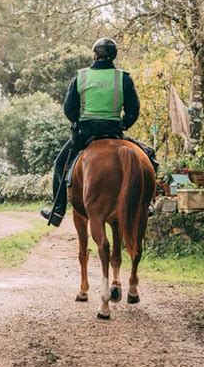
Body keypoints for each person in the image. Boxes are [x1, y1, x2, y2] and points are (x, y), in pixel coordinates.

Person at [40, 37, 140, 227]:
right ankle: (146, 204)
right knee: (148, 159)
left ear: (95, 55)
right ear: (113, 56)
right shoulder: (123, 78)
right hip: (114, 132)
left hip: (86, 133)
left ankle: (57, 211)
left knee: (60, 164)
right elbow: (133, 110)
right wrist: (123, 125)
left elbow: (69, 109)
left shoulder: (81, 77)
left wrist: (79, 122)